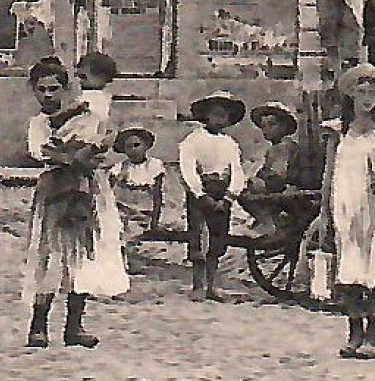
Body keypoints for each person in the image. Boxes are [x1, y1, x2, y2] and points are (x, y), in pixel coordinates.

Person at [22, 57, 129, 349]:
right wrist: (71, 155)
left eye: (54, 89)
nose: (48, 95)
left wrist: (88, 153)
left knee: (82, 253)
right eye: (42, 89)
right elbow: (40, 151)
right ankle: (38, 324)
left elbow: (102, 142)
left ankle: (74, 325)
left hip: (87, 186)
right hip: (55, 188)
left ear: (65, 89)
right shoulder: (39, 123)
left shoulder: (89, 113)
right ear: (33, 90)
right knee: (50, 253)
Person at [317, 64, 375, 360]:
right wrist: (324, 214)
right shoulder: (337, 130)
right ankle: (354, 332)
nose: (367, 99)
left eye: (373, 94)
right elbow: (328, 174)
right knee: (349, 270)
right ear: (350, 95)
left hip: (374, 209)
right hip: (344, 206)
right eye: (361, 92)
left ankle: (374, 336)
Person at [179, 91, 248, 301]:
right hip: (201, 192)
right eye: (215, 114)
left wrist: (229, 196)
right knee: (198, 238)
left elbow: (237, 171)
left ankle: (212, 285)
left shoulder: (230, 144)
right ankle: (198, 285)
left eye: (224, 115)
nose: (219, 119)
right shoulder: (193, 140)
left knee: (218, 240)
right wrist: (199, 194)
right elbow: (187, 169)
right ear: (206, 115)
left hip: (222, 192)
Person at [239, 101, 300, 239]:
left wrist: (260, 181)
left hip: (283, 189)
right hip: (281, 187)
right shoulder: (277, 147)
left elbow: (278, 176)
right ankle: (272, 222)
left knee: (246, 196)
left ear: (284, 126)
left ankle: (269, 224)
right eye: (263, 126)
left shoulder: (282, 147)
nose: (266, 130)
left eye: (272, 125)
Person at [108, 127, 166, 240]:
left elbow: (157, 196)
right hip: (123, 212)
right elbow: (109, 192)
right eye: (128, 147)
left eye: (137, 145)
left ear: (145, 146)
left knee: (137, 234)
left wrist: (154, 222)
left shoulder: (153, 166)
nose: (133, 150)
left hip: (144, 213)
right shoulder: (120, 168)